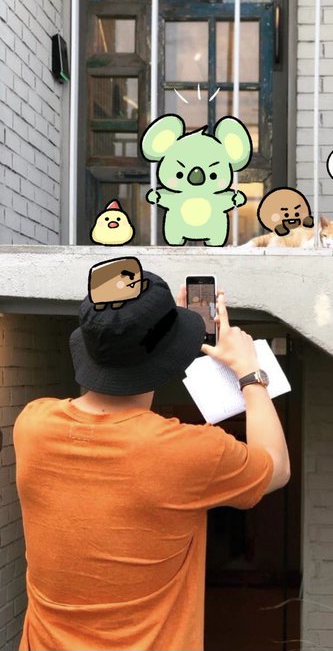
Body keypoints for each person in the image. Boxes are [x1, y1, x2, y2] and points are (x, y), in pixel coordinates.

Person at [14, 271, 290, 651]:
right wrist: (249, 372)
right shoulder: (189, 452)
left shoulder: (32, 424)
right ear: (168, 358)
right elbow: (276, 467)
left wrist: (150, 329)